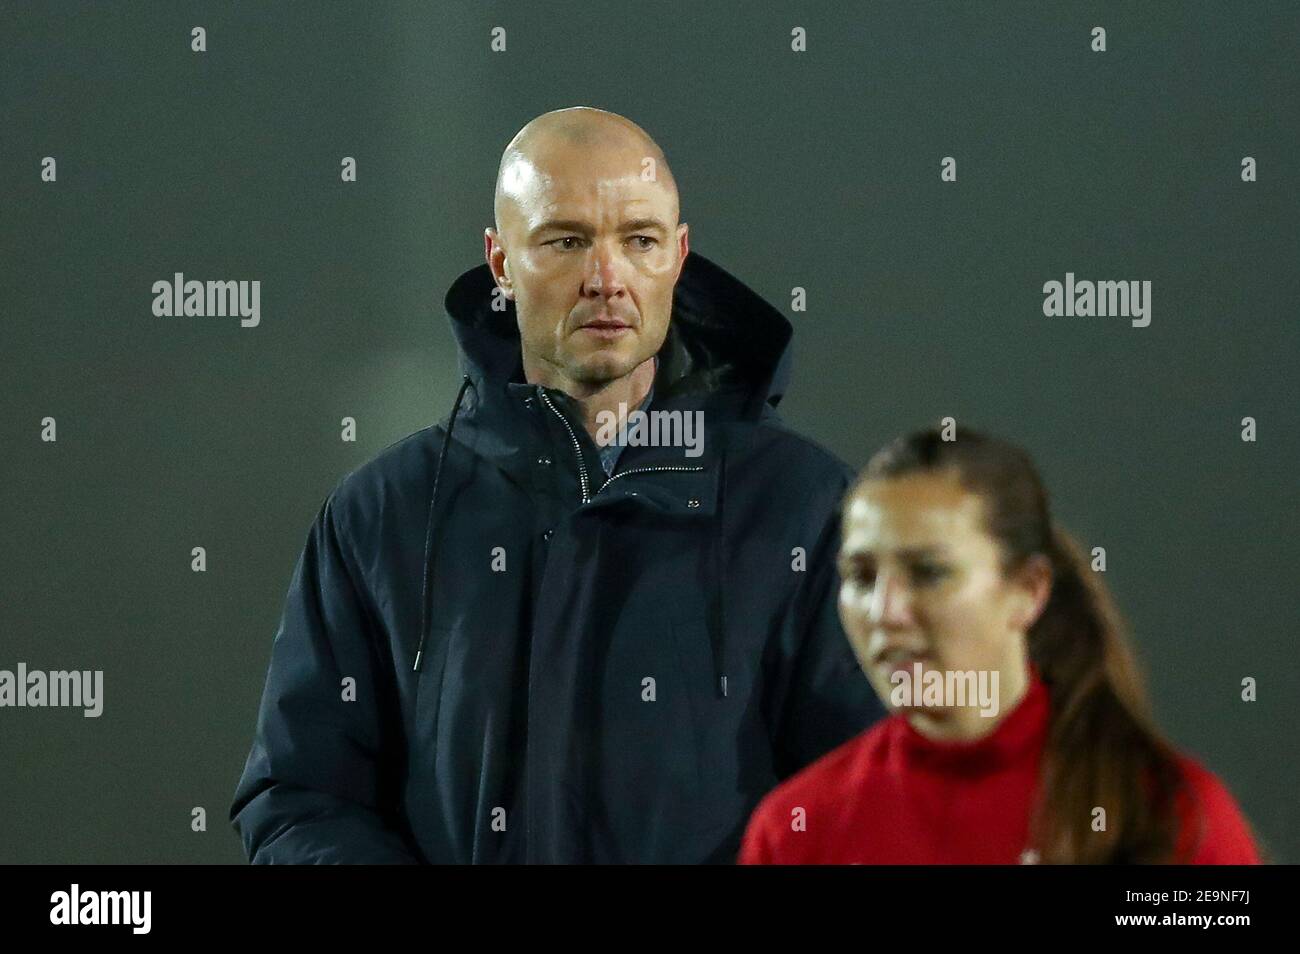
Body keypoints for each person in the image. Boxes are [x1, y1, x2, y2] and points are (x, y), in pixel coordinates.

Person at [229, 106, 885, 863]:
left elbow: (869, 802)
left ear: (678, 255)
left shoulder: (806, 509)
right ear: (501, 262)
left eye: (637, 241)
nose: (605, 280)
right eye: (566, 241)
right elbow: (300, 796)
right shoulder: (381, 515)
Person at [739, 427, 1262, 864]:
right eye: (861, 575)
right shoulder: (795, 831)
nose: (884, 613)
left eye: (929, 572)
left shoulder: (1169, 817)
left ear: (1028, 590)